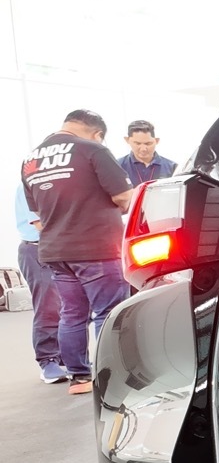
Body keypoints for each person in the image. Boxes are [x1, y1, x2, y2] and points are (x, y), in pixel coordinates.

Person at [21, 110, 135, 395]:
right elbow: (124, 197)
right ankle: (112, 377)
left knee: (72, 314)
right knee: (109, 312)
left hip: (56, 250)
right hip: (96, 247)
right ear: (97, 133)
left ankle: (80, 377)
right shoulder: (93, 149)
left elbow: (38, 211)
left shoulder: (31, 160)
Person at [13, 185, 66, 384]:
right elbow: (41, 224)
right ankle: (48, 361)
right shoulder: (29, 185)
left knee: (71, 307)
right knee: (48, 307)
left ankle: (68, 357)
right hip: (37, 250)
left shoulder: (61, 180)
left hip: (61, 249)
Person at [118, 119, 179, 184]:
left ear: (157, 141)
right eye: (137, 143)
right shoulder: (118, 167)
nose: (143, 149)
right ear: (127, 140)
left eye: (148, 143)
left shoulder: (173, 168)